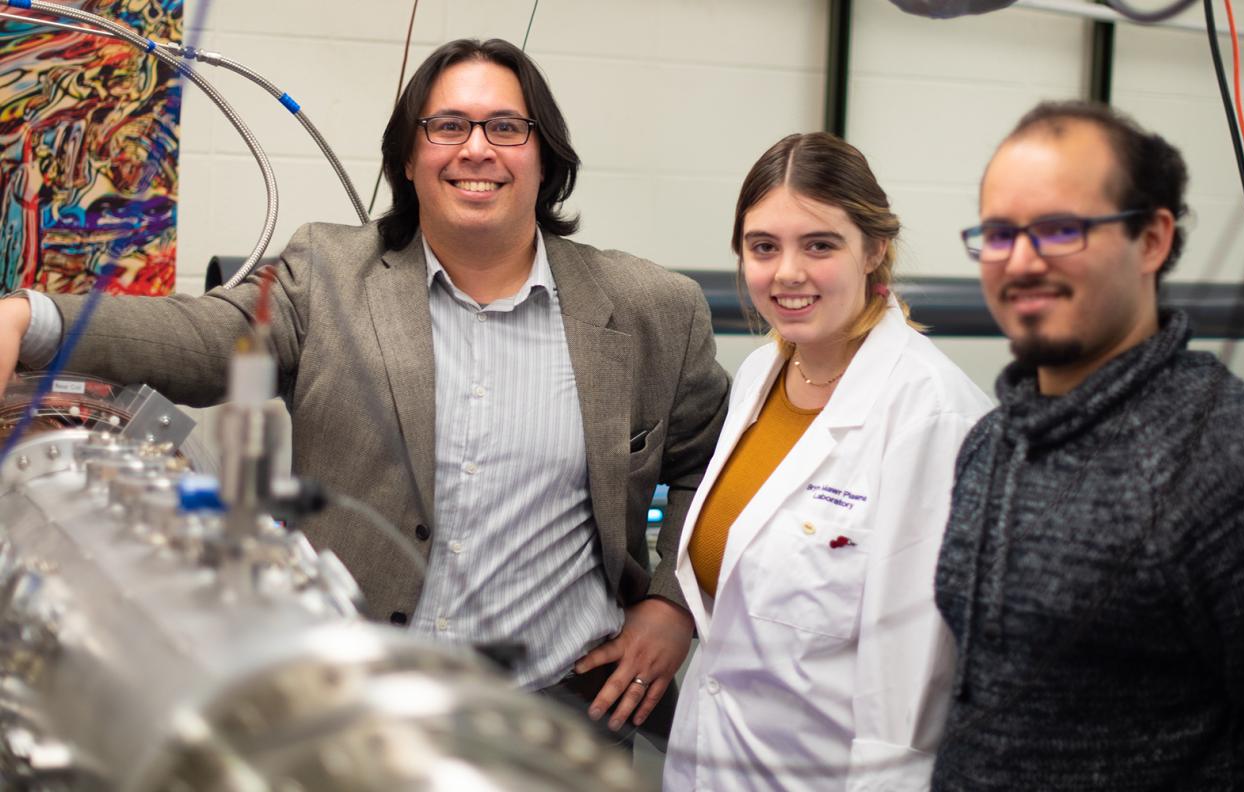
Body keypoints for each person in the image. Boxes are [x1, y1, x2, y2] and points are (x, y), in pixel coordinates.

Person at [0, 38, 731, 744]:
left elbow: (719, 464)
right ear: (409, 160)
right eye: (447, 126)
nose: (477, 148)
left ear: (546, 158)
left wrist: (673, 603)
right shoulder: (327, 275)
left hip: (556, 715)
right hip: (352, 722)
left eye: (506, 127)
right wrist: (31, 317)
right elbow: (199, 339)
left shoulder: (648, 308)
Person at [932, 101, 1244, 790]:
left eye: (1058, 229)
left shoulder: (1224, 457)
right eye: (997, 233)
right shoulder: (993, 440)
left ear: (1153, 240)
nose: (1020, 261)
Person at [661, 132, 992, 791]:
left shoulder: (933, 414)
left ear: (873, 249)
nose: (787, 272)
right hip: (712, 763)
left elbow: (914, 688)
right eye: (763, 247)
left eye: (819, 244)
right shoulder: (761, 374)